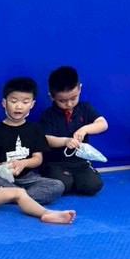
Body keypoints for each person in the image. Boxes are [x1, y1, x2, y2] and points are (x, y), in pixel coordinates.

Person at [0, 77, 66, 206]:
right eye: (14, 101)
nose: (19, 106)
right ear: (4, 103)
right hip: (3, 178)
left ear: (32, 104)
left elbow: (38, 159)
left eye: (25, 102)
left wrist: (23, 163)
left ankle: (16, 196)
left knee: (58, 185)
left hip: (28, 178)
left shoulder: (34, 129)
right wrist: (1, 165)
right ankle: (21, 196)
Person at [38, 66, 106, 196]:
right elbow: (45, 139)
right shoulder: (48, 115)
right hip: (56, 163)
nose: (69, 104)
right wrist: (65, 141)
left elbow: (103, 124)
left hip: (79, 162)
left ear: (80, 88)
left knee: (94, 186)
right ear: (51, 96)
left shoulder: (85, 108)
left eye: (73, 98)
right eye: (62, 101)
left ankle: (76, 179)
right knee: (63, 185)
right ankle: (67, 179)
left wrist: (85, 129)